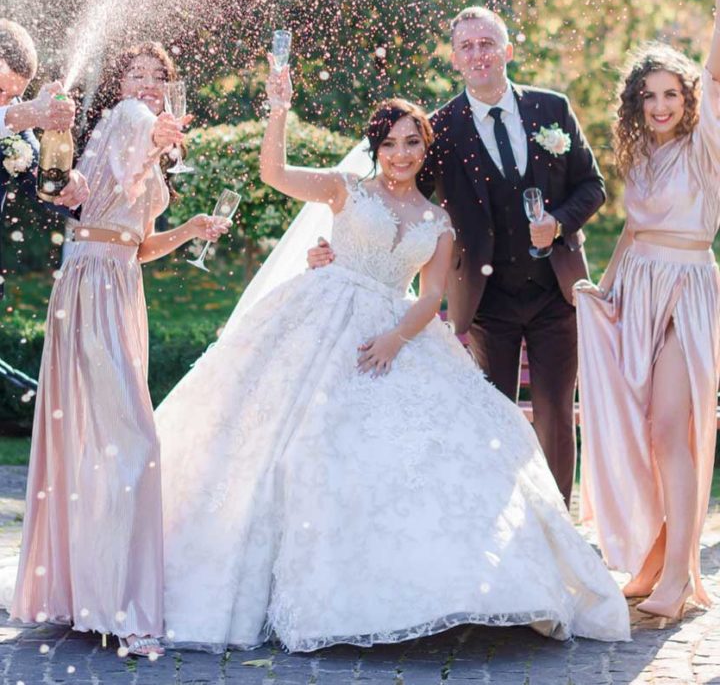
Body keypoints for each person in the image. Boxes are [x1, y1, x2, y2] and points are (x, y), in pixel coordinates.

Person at [154, 60, 629, 653]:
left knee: (449, 445)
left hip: (397, 328)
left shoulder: (439, 221)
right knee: (298, 441)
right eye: (389, 143)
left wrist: (395, 340)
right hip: (323, 315)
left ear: (424, 148)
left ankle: (453, 586)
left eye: (411, 143)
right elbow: (272, 171)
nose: (400, 155)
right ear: (374, 147)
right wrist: (279, 106)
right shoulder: (343, 189)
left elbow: (431, 295)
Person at [310, 7, 605, 507]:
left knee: (557, 411)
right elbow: (397, 197)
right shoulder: (440, 130)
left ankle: (558, 527)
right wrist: (340, 249)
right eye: (467, 46)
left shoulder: (552, 109)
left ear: (507, 51)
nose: (478, 54)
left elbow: (592, 187)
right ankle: (501, 517)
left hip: (556, 291)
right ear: (454, 59)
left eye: (487, 43)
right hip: (485, 299)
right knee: (490, 413)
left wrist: (557, 222)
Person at [11, 42, 231, 658]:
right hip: (92, 286)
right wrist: (156, 137)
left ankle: (86, 591)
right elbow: (80, 191)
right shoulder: (131, 121)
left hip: (114, 281)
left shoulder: (127, 130)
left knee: (98, 439)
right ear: (121, 84)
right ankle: (125, 607)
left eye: (160, 74)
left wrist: (187, 231)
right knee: (133, 440)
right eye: (138, 73)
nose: (151, 82)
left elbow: (133, 241)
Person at [575, 0, 720, 621]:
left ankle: (680, 579)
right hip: (637, 291)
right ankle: (663, 558)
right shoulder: (641, 157)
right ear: (637, 104)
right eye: (649, 97)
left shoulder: (705, 147)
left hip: (687, 291)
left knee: (671, 431)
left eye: (672, 94)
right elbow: (633, 231)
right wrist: (602, 292)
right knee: (646, 434)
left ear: (688, 98)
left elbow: (716, 74)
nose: (661, 106)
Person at [0, 18, 89, 299]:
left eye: (14, 95)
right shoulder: (15, 115)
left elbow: (41, 176)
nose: (5, 101)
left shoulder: (15, 116)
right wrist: (26, 114)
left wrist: (68, 182)